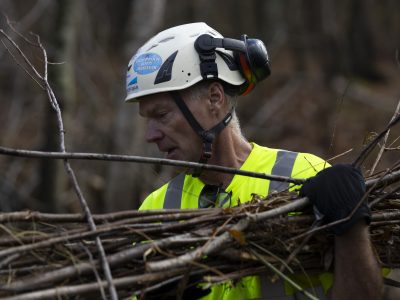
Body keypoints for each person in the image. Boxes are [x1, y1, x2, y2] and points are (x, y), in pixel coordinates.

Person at [125, 22, 382, 299]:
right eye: (147, 120)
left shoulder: (303, 176)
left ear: (215, 98)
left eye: (161, 115)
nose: (150, 135)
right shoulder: (154, 211)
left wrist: (352, 230)